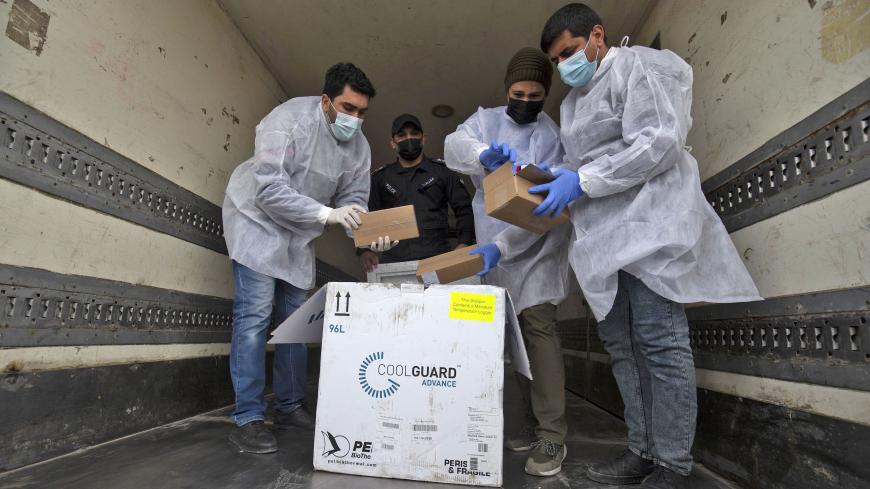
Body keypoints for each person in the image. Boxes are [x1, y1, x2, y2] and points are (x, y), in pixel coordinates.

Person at [472, 4, 761, 488]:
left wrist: (583, 178)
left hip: (649, 230)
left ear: (597, 36)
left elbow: (660, 142)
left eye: (568, 52)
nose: (565, 65)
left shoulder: (639, 67)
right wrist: (564, 179)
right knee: (624, 349)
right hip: (604, 241)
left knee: (660, 342)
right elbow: (583, 168)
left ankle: (672, 463)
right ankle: (641, 451)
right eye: (557, 58)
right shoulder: (572, 104)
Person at [222, 62, 393, 454]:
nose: (355, 119)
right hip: (256, 221)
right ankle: (247, 418)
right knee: (254, 318)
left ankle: (289, 406)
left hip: (298, 236)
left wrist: (367, 237)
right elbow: (267, 189)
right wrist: (325, 214)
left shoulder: (360, 148)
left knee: (295, 324)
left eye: (362, 112)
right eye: (348, 108)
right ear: (325, 101)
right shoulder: (287, 121)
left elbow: (353, 202)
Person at [445, 47, 573, 477]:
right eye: (518, 91)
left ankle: (552, 437)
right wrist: (481, 154)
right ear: (507, 89)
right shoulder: (486, 120)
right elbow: (453, 145)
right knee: (512, 337)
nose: (524, 100)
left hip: (535, 247)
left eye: (535, 94)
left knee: (537, 327)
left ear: (545, 94)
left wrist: (503, 246)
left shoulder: (552, 136)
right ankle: (530, 423)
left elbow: (542, 209)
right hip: (492, 245)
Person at [358, 114, 475, 273]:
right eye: (402, 135)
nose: (409, 138)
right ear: (392, 143)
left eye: (414, 134)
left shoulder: (443, 172)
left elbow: (465, 210)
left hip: (438, 258)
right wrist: (364, 250)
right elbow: (365, 217)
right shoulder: (380, 178)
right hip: (393, 263)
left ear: (423, 139)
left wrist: (464, 243)